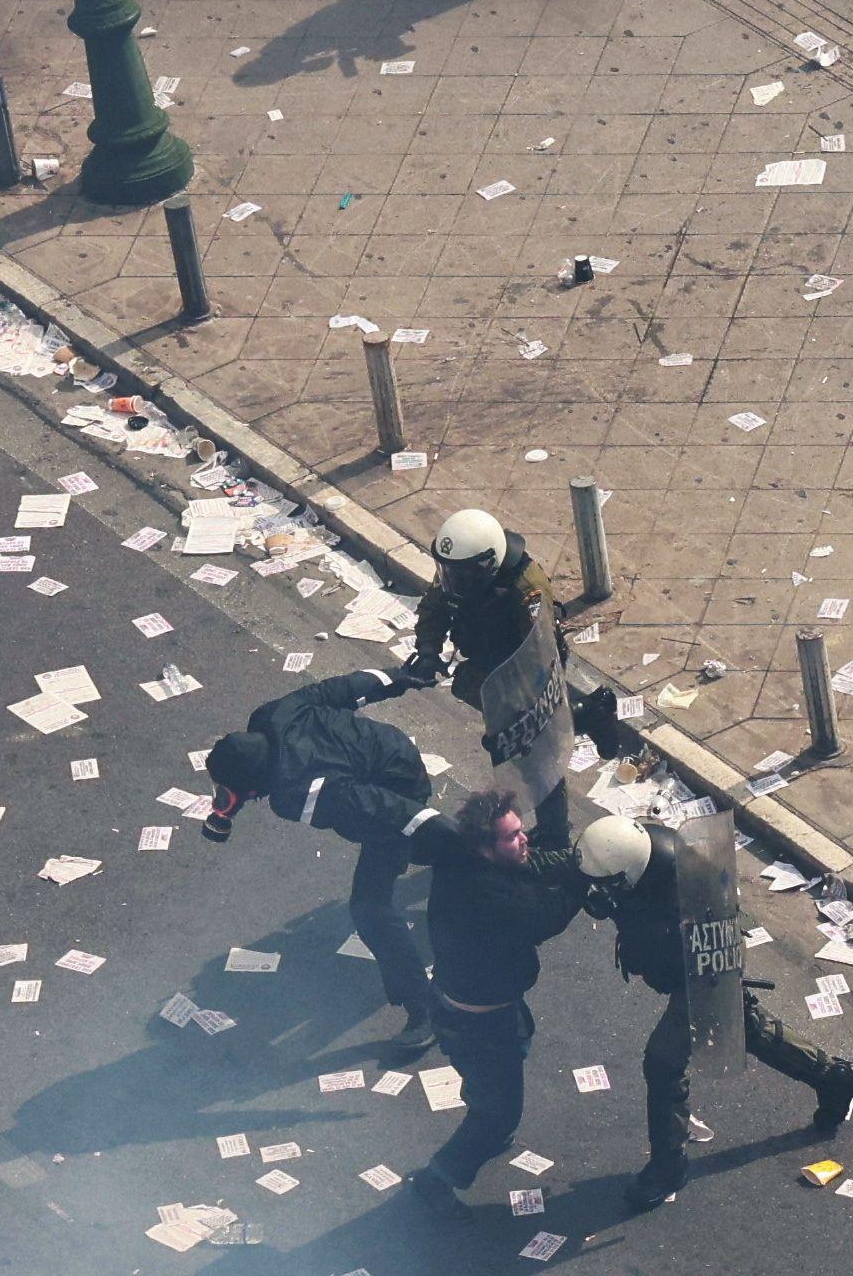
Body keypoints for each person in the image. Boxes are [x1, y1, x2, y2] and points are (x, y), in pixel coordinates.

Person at [576, 814, 853, 1209]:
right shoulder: (630, 853)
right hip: (680, 961)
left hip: (703, 966)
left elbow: (707, 945)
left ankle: (667, 1167)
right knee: (746, 1025)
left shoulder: (688, 886)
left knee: (663, 1063)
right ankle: (832, 1078)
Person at [206, 666, 441, 1057]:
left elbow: (374, 810)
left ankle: (425, 1007)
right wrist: (398, 677)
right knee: (414, 841)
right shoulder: (271, 715)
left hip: (394, 787)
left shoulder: (293, 795)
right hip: (393, 748)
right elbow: (340, 690)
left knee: (370, 908)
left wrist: (431, 829)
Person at [403, 788, 586, 1203]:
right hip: (480, 1024)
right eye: (513, 837)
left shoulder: (464, 859)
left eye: (522, 831)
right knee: (501, 1114)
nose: (525, 841)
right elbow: (545, 916)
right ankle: (438, 1179)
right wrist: (582, 881)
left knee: (503, 1066)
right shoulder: (489, 897)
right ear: (486, 849)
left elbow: (529, 872)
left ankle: (481, 1103)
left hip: (472, 1005)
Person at [411, 507, 574, 835]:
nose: (451, 580)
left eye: (463, 575)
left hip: (524, 673)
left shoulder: (527, 586)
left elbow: (542, 646)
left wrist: (528, 710)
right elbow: (435, 606)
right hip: (488, 667)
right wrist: (428, 649)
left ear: (488, 563)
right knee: (516, 755)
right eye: (449, 572)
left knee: (539, 759)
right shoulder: (458, 570)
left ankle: (555, 833)